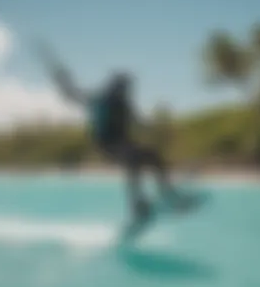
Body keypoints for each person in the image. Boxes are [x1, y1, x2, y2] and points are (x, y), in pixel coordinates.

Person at [35, 42, 184, 226]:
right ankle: (137, 205)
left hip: (125, 142)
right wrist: (61, 77)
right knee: (133, 159)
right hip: (107, 145)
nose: (128, 91)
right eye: (125, 87)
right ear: (116, 86)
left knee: (154, 156)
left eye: (128, 87)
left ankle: (167, 193)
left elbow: (139, 123)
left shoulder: (125, 103)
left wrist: (156, 129)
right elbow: (72, 93)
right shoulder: (100, 98)